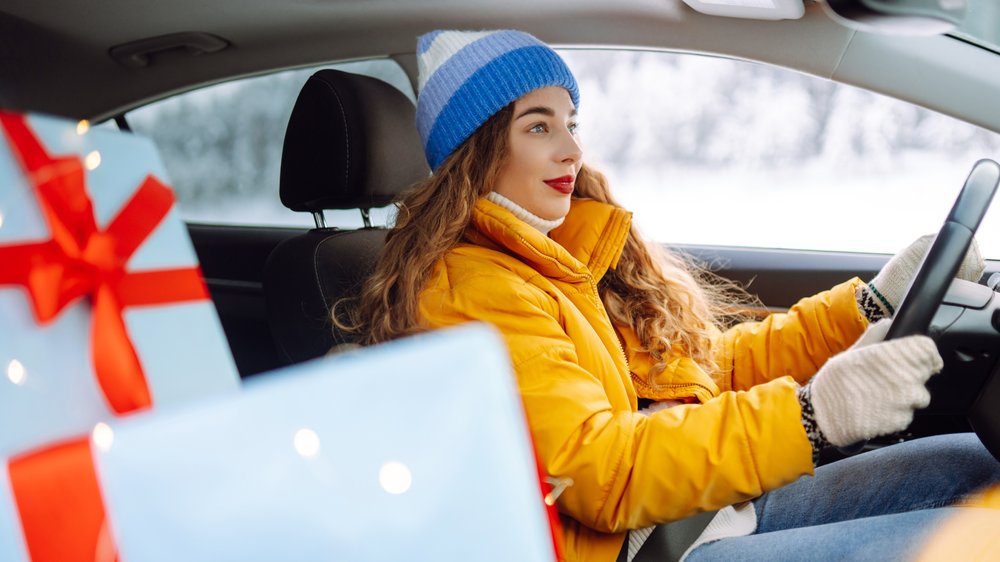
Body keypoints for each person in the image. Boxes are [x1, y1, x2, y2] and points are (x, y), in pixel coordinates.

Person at [342, 29, 1000, 562]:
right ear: (474, 151)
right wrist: (810, 416)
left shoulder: (562, 256)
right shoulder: (467, 290)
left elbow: (707, 368)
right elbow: (601, 472)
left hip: (697, 513)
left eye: (571, 122)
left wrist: (868, 306)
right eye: (538, 127)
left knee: (970, 468)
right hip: (647, 547)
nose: (572, 148)